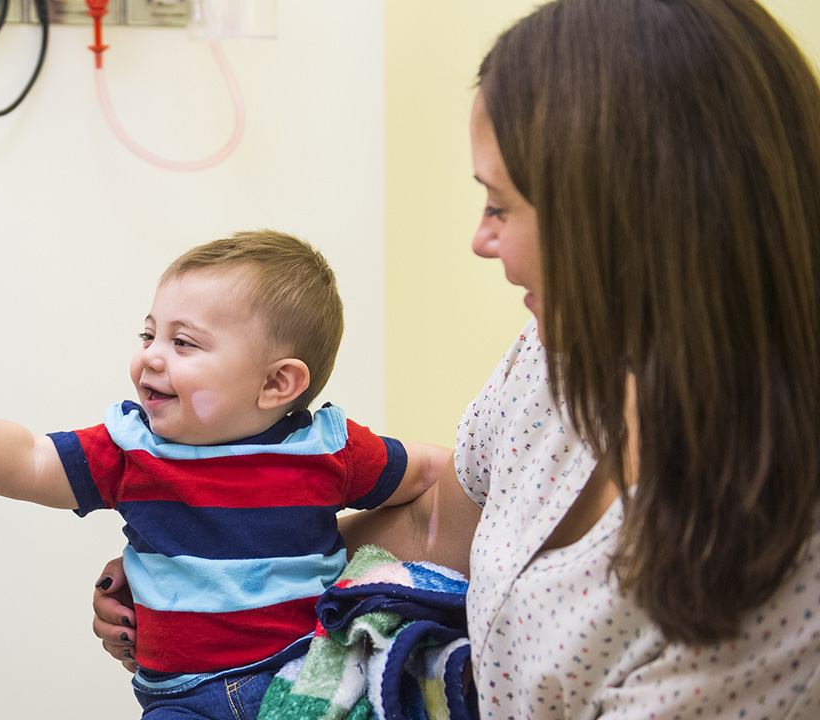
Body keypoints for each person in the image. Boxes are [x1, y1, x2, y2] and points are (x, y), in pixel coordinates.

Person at [94, 0, 820, 717]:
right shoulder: (556, 354)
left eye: (500, 207)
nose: (480, 238)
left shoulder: (787, 564)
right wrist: (211, 581)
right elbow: (436, 525)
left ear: (630, 214)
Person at [0, 230, 442, 719]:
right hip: (183, 698)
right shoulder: (131, 451)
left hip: (306, 670)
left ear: (277, 385)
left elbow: (434, 474)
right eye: (149, 335)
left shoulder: (328, 449)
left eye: (183, 342)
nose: (151, 356)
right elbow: (30, 458)